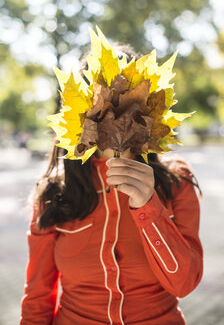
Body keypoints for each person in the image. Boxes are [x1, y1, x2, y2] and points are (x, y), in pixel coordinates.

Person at [20, 45, 203, 325]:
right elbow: (37, 299)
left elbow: (184, 284)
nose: (116, 120)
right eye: (101, 109)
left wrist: (148, 209)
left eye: (130, 108)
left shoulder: (177, 182)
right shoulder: (53, 192)